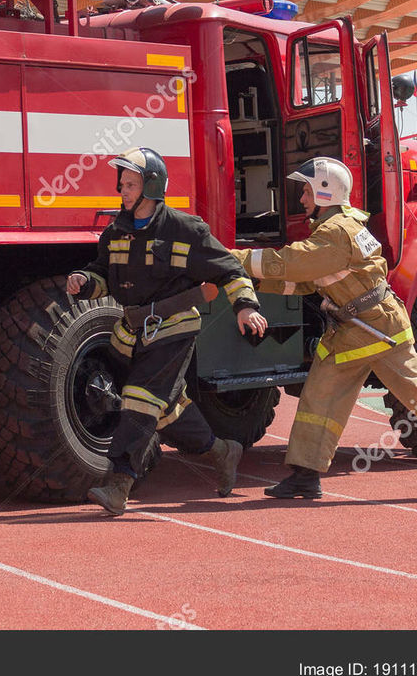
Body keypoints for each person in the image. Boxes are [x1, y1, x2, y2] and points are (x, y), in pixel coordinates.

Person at [230, 156, 417, 500]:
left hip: (378, 328)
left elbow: (291, 263)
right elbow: (303, 283)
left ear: (324, 192)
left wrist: (234, 259)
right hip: (349, 328)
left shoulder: (336, 233)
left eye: (305, 191)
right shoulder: (334, 230)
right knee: (319, 399)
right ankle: (305, 475)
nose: (301, 199)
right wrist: (255, 282)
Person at [66, 147, 269, 515]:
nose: (122, 191)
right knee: (167, 412)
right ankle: (222, 452)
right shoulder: (115, 231)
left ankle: (119, 484)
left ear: (152, 186)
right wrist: (85, 281)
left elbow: (230, 271)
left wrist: (246, 306)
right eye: (122, 184)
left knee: (139, 399)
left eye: (130, 184)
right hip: (131, 334)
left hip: (173, 331)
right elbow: (103, 275)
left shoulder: (186, 229)